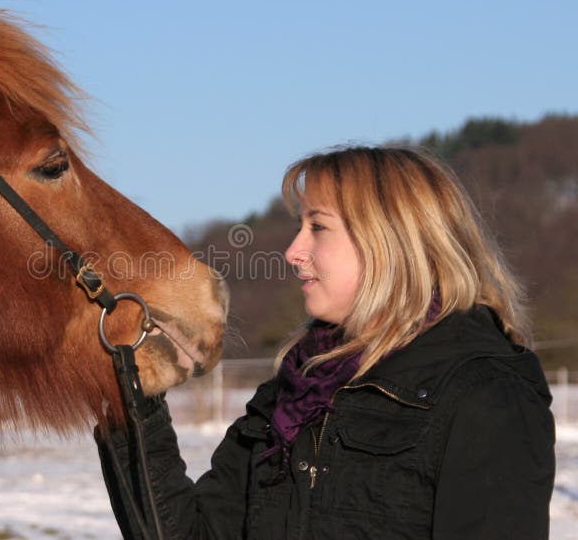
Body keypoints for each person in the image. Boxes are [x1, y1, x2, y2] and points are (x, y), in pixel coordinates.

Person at [95, 146, 556, 539]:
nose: (293, 251)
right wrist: (128, 392)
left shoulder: (487, 393)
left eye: (317, 226)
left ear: (389, 241)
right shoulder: (296, 392)